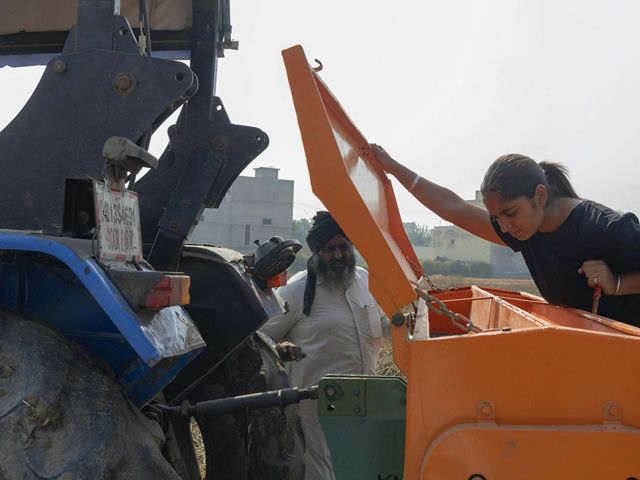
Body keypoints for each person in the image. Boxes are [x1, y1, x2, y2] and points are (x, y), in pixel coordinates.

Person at [371, 145, 640, 326]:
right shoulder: (528, 230)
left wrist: (617, 284)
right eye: (497, 218)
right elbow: (454, 208)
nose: (504, 227)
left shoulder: (602, 227)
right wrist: (393, 167)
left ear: (541, 195)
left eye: (510, 213)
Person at [260, 211, 388, 480]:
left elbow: (384, 323)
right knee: (324, 475)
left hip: (364, 402)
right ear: (316, 253)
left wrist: (409, 322)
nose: (339, 255)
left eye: (344, 247)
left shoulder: (365, 281)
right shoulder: (297, 291)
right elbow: (259, 337)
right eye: (330, 249)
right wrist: (279, 346)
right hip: (318, 407)